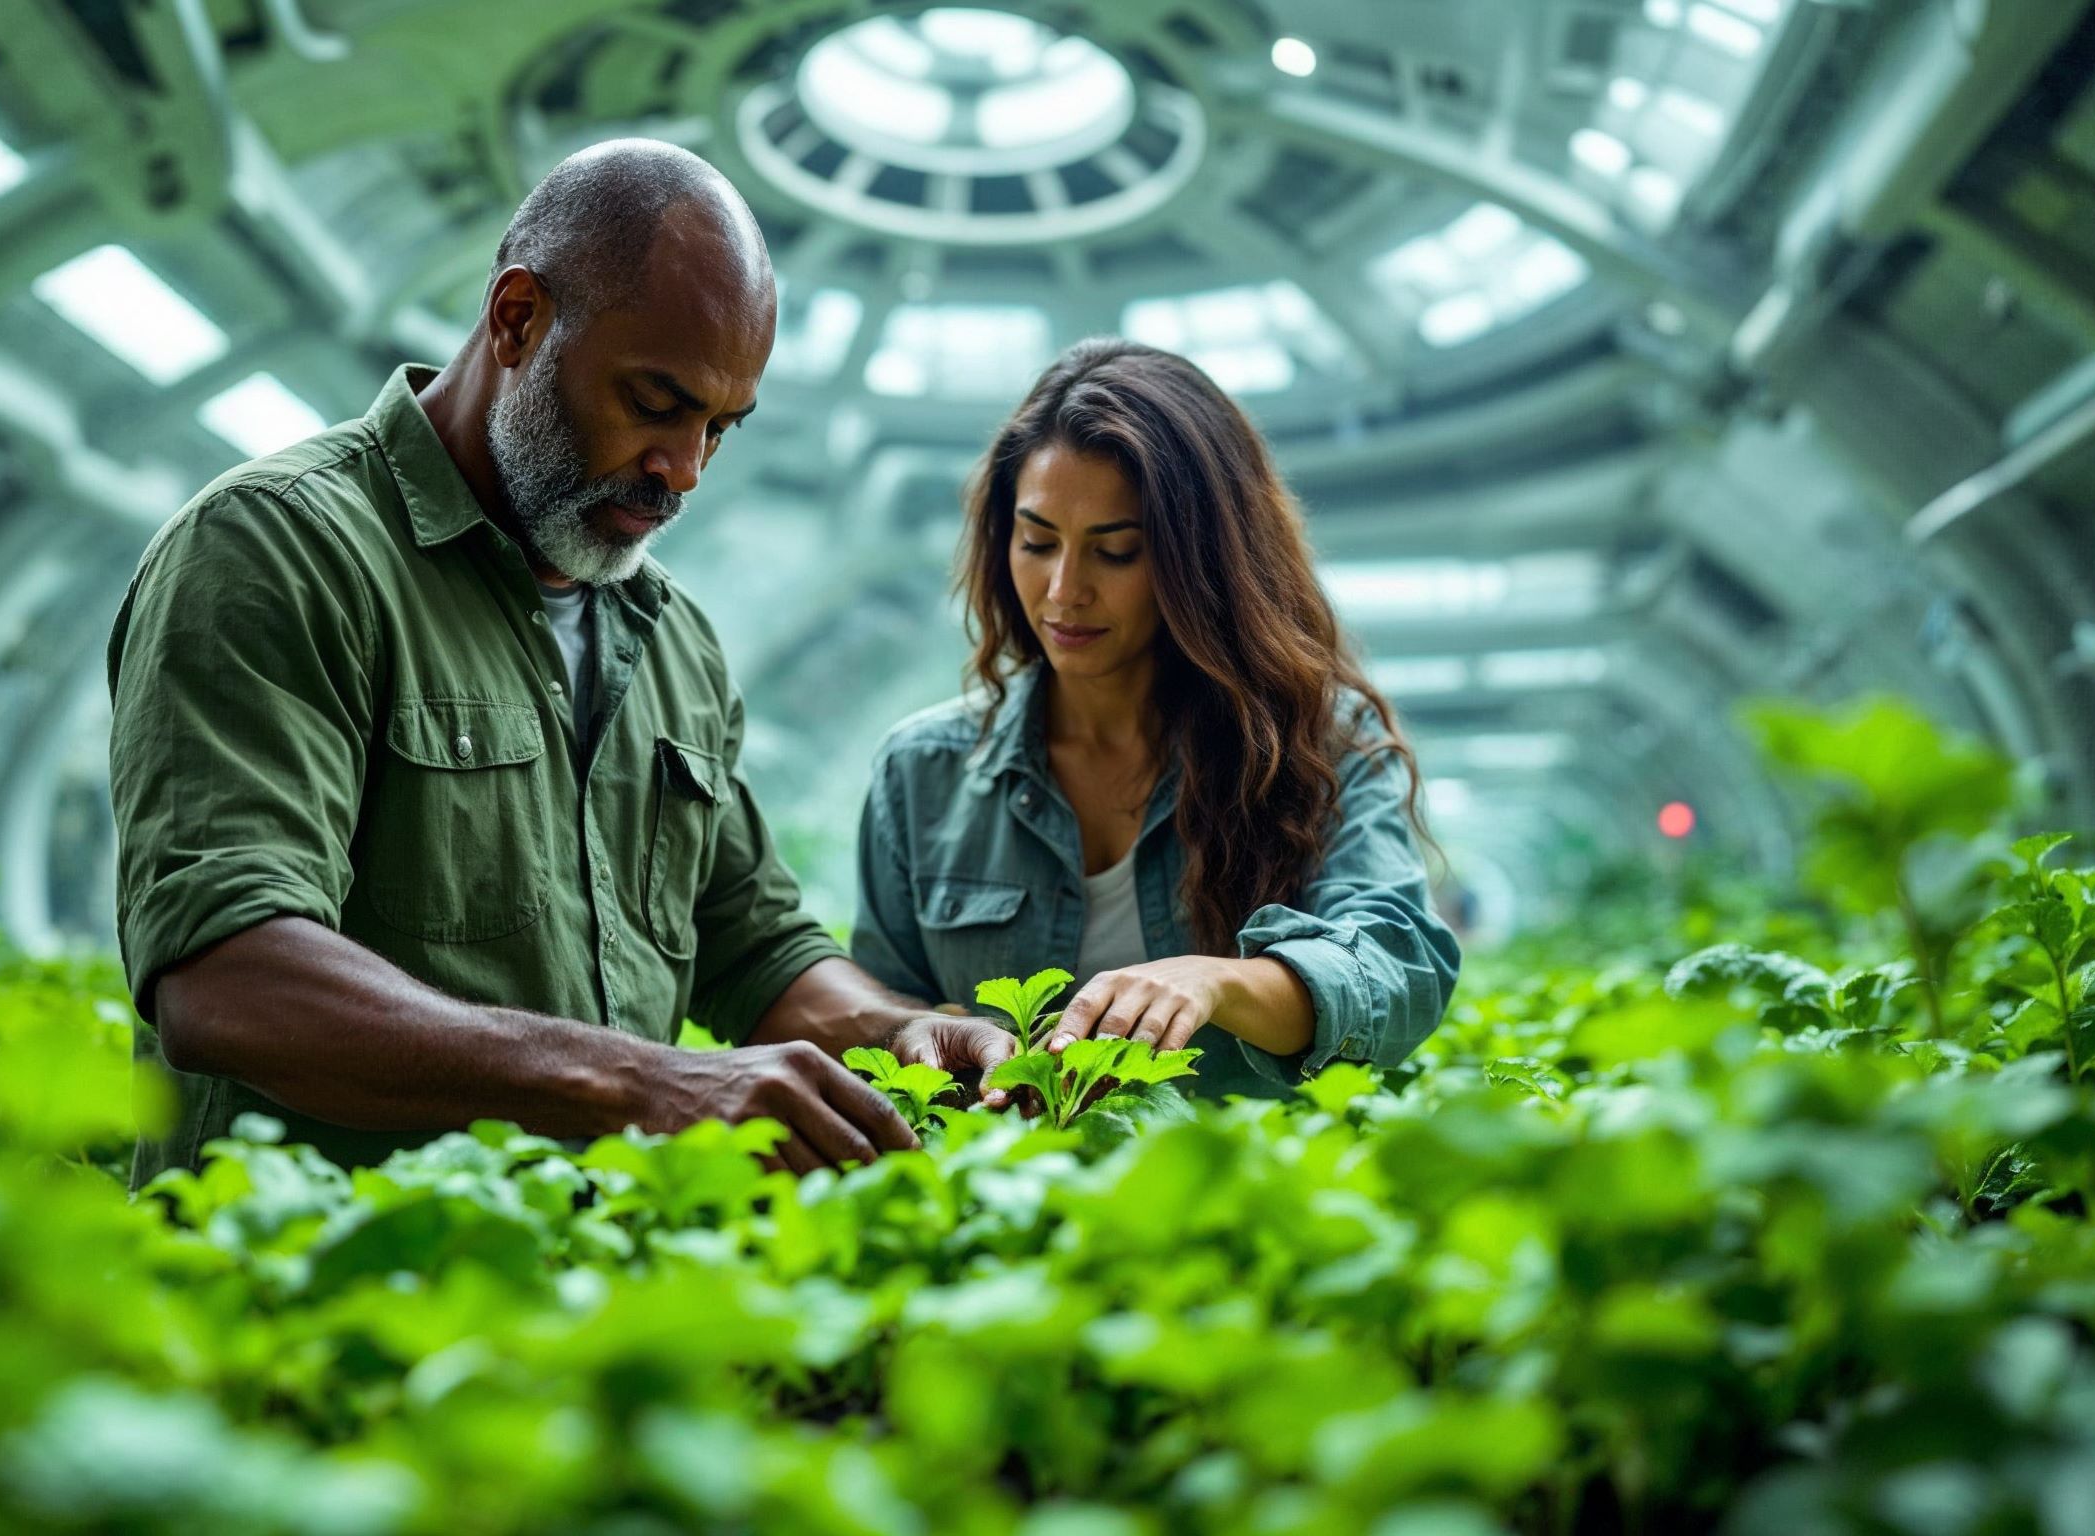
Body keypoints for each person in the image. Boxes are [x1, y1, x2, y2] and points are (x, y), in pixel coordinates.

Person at [106, 141, 1012, 1185]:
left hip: (582, 1307)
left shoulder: (672, 642)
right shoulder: (277, 552)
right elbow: (231, 982)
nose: (685, 469)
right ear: (519, 319)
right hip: (304, 1312)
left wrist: (901, 1031)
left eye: (721, 427)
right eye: (656, 402)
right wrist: (641, 1086)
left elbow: (755, 948)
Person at [853, 339, 1459, 1098]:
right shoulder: (922, 772)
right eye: (1037, 542)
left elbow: (1398, 965)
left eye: (1117, 553)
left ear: (1202, 561)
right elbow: (878, 1018)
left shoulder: (1321, 746)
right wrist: (935, 1041)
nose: (1064, 591)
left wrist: (1223, 984)